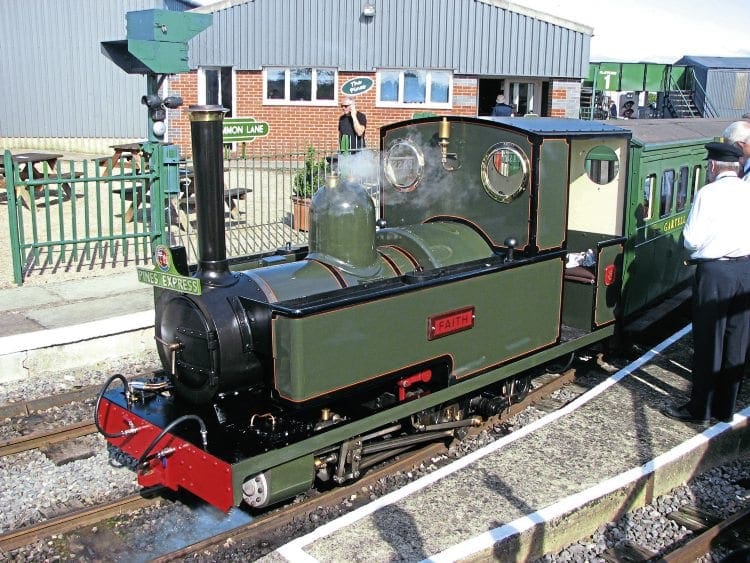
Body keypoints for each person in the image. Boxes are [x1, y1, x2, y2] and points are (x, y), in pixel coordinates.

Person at [661, 142, 750, 425]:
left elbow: (692, 240)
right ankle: (725, 410)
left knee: (709, 340)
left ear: (712, 166)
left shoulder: (707, 194)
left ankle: (700, 409)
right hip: (746, 271)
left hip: (715, 273)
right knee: (736, 341)